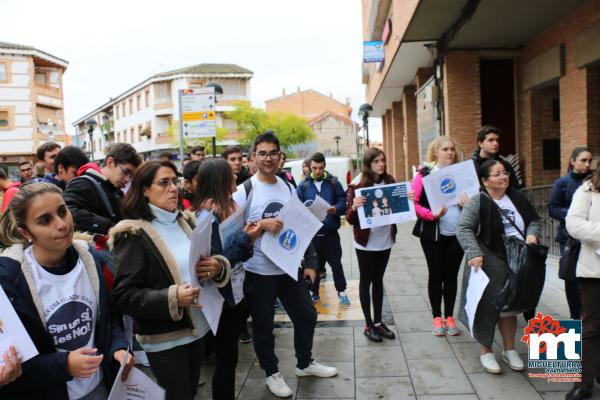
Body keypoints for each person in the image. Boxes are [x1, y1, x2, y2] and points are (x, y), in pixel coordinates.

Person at [110, 161, 231, 400]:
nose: (173, 188)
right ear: (144, 190)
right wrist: (173, 297)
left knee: (190, 393)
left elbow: (211, 257)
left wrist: (217, 266)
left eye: (174, 181)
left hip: (198, 327)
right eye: (164, 183)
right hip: (165, 337)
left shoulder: (185, 220)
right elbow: (124, 296)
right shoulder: (133, 232)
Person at [0, 182, 132, 399]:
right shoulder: (9, 280)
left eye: (63, 211)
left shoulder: (89, 258)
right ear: (25, 232)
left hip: (99, 388)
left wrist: (117, 347)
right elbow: (14, 363)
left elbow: (108, 319)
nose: (61, 224)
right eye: (45, 220)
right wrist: (64, 365)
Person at [232, 131, 337, 398]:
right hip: (258, 272)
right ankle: (272, 373)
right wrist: (261, 226)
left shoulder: (288, 186)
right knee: (264, 326)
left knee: (307, 315)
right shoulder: (243, 192)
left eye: (272, 153)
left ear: (280, 157)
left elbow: (300, 225)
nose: (268, 158)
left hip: (288, 267)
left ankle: (304, 363)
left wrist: (311, 261)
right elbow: (235, 236)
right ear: (253, 158)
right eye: (262, 153)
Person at [456, 160, 541, 374]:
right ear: (485, 181)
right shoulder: (479, 201)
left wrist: (532, 233)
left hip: (517, 260)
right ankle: (486, 351)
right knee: (488, 306)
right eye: (496, 174)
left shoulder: (517, 197)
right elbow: (464, 228)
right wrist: (474, 253)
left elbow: (534, 220)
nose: (503, 177)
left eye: (505, 172)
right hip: (489, 262)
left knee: (510, 307)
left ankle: (509, 349)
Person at [192, 158, 261, 400]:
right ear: (220, 180)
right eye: (231, 174)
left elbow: (243, 253)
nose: (236, 176)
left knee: (230, 360)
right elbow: (213, 263)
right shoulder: (206, 216)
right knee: (226, 360)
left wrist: (247, 239)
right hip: (219, 300)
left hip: (238, 291)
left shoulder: (231, 206)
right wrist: (245, 239)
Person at [412, 137, 468, 336]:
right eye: (445, 149)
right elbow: (415, 203)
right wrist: (431, 215)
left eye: (452, 149)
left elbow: (472, 200)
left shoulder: (461, 173)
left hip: (457, 234)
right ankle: (437, 318)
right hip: (432, 235)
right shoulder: (424, 175)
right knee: (436, 275)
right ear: (435, 152)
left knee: (451, 276)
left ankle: (450, 317)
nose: (450, 152)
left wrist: (467, 204)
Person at [346, 148, 398, 343]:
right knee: (366, 280)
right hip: (365, 243)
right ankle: (368, 324)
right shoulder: (356, 186)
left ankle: (378, 322)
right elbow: (350, 219)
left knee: (379, 280)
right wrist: (354, 207)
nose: (381, 164)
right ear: (369, 164)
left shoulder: (390, 181)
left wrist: (406, 201)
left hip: (385, 240)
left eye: (382, 160)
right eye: (376, 161)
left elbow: (397, 207)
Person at [564, 163, 600, 400]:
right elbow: (574, 224)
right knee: (591, 327)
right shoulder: (586, 190)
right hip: (594, 271)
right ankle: (584, 383)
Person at [297, 152, 349, 306]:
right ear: (310, 167)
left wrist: (336, 208)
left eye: (320, 168)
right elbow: (297, 205)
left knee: (336, 264)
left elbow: (343, 201)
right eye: (314, 168)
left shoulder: (334, 183)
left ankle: (342, 291)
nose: (317, 171)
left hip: (331, 232)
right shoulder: (304, 185)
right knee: (314, 265)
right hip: (313, 233)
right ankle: (314, 292)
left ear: (324, 166)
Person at [548, 147, 593, 320]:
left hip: (591, 237)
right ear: (573, 161)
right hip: (569, 239)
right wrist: (575, 215)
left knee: (589, 279)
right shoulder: (563, 183)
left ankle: (589, 316)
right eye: (583, 160)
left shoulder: (594, 181)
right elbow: (552, 209)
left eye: (589, 160)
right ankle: (576, 316)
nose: (587, 164)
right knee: (571, 278)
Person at [63, 143, 141, 238]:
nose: (127, 179)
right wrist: (110, 226)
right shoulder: (83, 183)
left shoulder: (115, 190)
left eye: (131, 176)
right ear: (110, 162)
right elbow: (68, 212)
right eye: (125, 172)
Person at [471, 126, 521, 190]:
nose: (495, 143)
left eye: (497, 140)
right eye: (491, 140)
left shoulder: (505, 164)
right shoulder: (472, 165)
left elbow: (515, 189)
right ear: (480, 143)